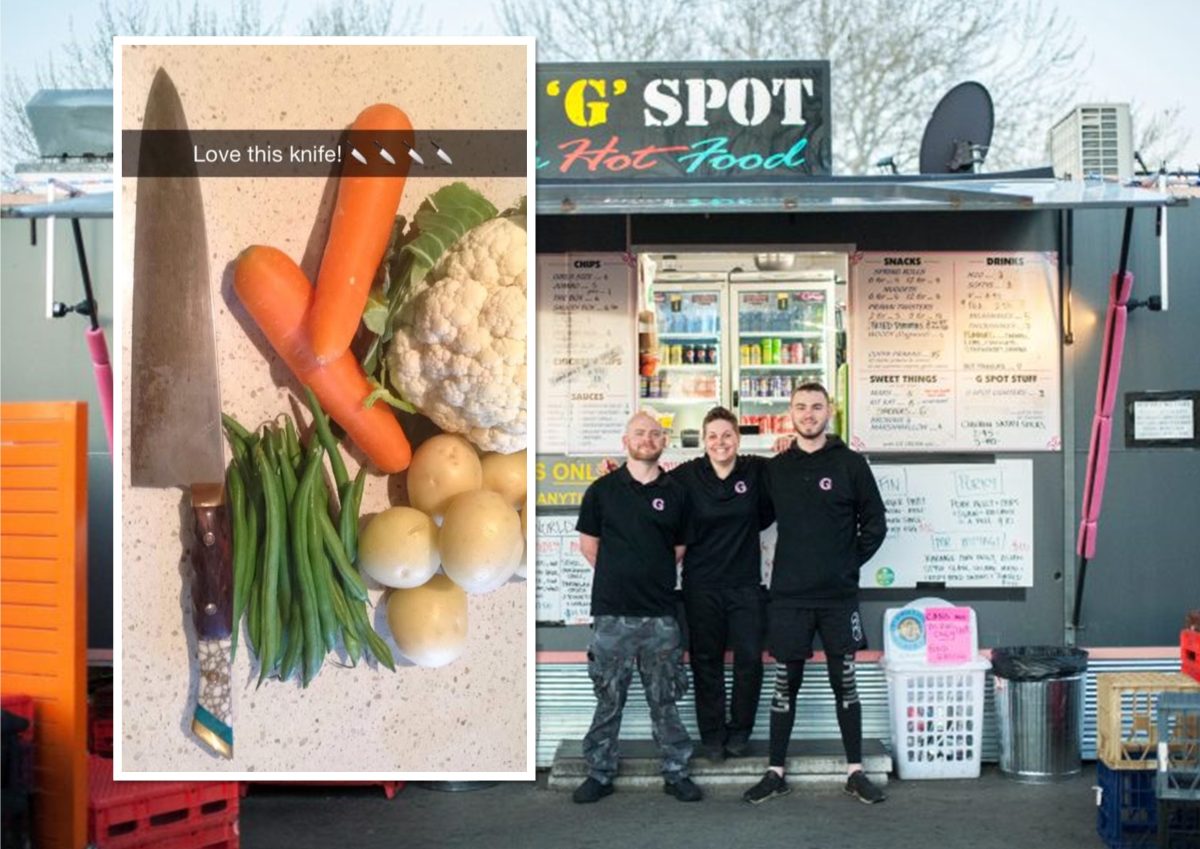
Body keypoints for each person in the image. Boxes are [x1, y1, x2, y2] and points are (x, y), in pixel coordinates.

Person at [743, 382, 888, 806]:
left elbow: (876, 523)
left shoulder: (851, 464)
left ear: (830, 411)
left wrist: (845, 564)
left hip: (838, 597)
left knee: (845, 683)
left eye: (816, 407)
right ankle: (775, 772)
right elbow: (748, 515)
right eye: (801, 407)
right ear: (790, 412)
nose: (809, 414)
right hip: (788, 596)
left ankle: (855, 772)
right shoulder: (775, 468)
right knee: (785, 685)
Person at [572, 411, 703, 804]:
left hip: (661, 615)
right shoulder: (602, 490)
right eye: (639, 433)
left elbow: (678, 550)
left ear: (664, 442)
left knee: (664, 699)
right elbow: (589, 546)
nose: (647, 439)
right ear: (625, 440)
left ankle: (676, 772)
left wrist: (648, 576)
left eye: (655, 434)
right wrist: (622, 576)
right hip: (612, 614)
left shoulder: (677, 493)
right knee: (609, 698)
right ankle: (599, 772)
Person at [669, 406, 774, 761]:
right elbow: (650, 484)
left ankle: (740, 732)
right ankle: (712, 736)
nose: (720, 442)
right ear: (703, 440)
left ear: (738, 438)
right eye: (712, 436)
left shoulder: (756, 470)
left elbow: (790, 477)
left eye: (726, 435)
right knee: (706, 661)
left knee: (749, 660)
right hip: (700, 585)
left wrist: (789, 444)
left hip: (745, 585)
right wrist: (613, 469)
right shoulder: (686, 476)